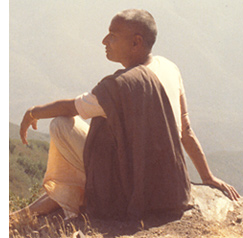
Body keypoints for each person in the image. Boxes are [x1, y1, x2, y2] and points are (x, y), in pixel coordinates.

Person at [11, 9, 240, 221]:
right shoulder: (169, 68)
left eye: (112, 35)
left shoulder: (121, 86)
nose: (104, 41)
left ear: (136, 42)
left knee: (60, 124)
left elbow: (71, 108)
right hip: (170, 186)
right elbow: (186, 130)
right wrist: (207, 177)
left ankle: (76, 199)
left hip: (128, 184)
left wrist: (33, 113)